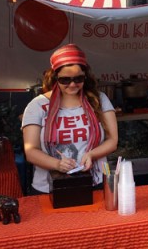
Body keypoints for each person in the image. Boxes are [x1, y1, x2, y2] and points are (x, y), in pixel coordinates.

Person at [21, 44, 118, 194]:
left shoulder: (99, 100)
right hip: (49, 188)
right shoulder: (38, 105)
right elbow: (31, 151)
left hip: (94, 183)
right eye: (65, 80)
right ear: (55, 77)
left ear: (86, 76)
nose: (73, 84)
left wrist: (92, 154)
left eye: (78, 79)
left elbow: (112, 141)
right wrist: (57, 164)